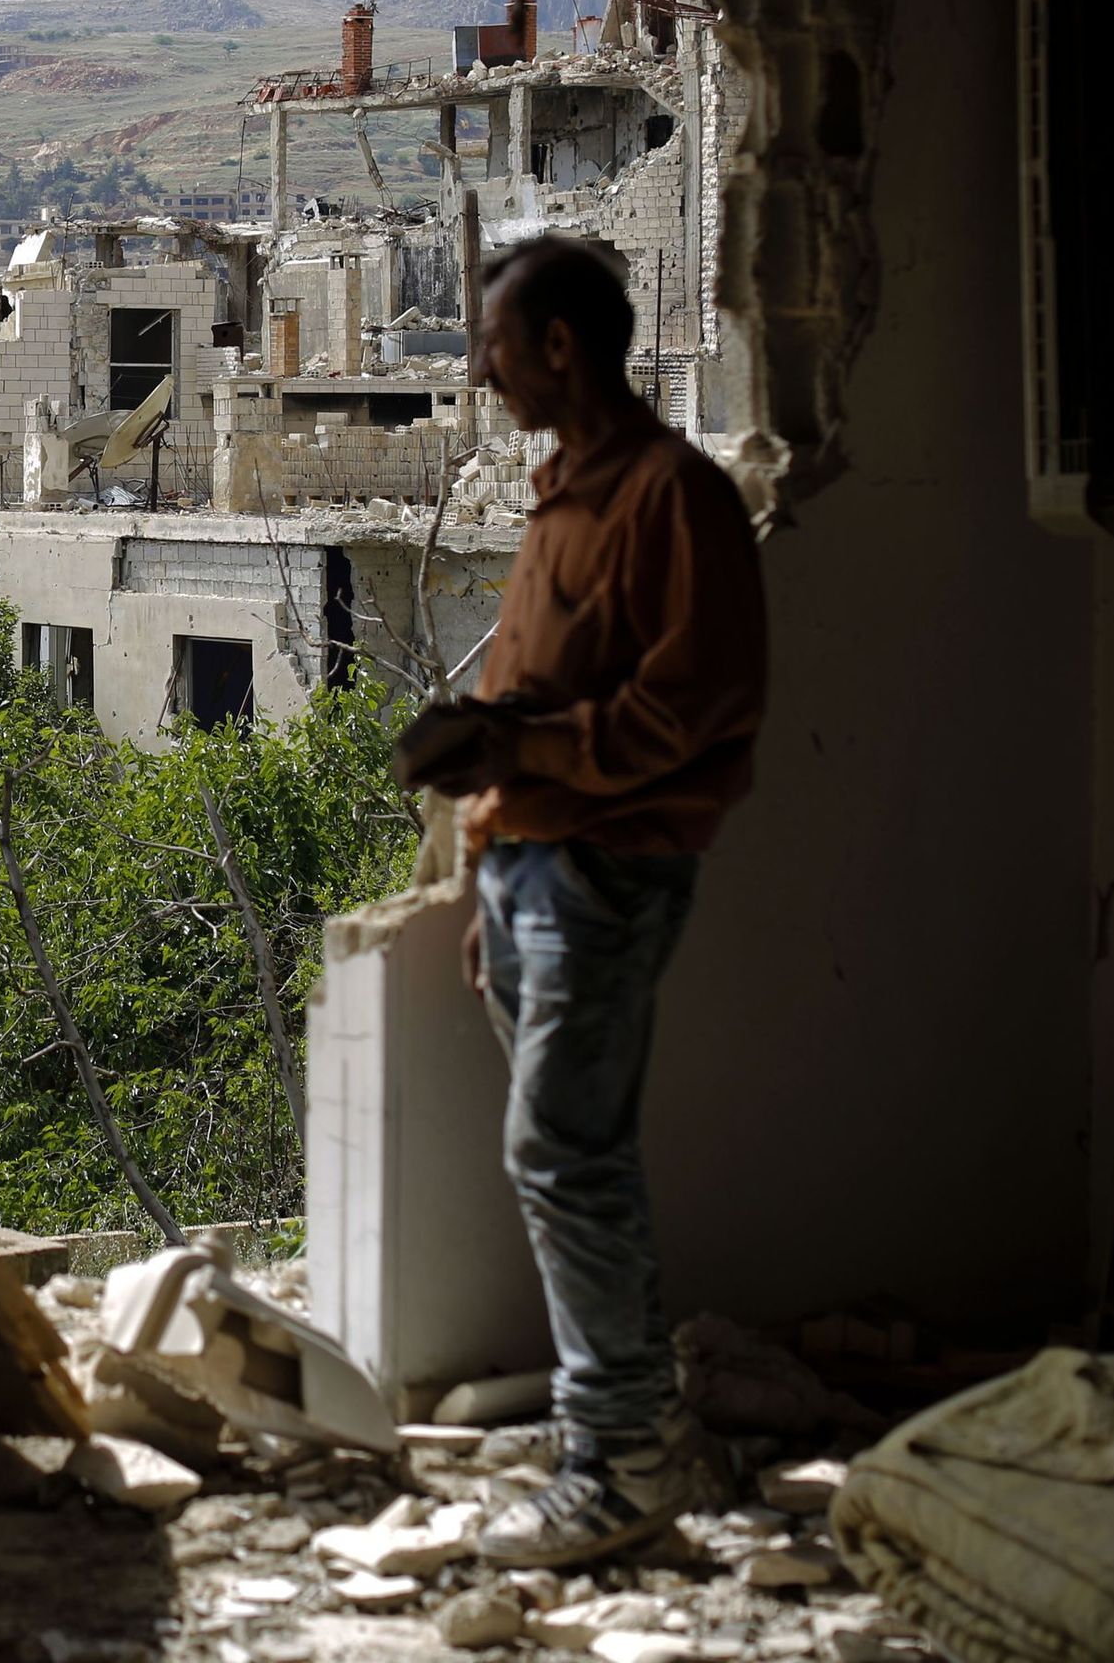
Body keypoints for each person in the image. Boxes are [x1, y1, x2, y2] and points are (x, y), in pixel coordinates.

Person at [403, 235, 768, 1567]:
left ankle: (617, 1465)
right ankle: (642, 1432)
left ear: (559, 345)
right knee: (575, 1156)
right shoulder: (568, 501)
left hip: (608, 872)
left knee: (564, 1155)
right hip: (541, 871)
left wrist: (529, 758)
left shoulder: (674, 500)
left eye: (493, 345)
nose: (481, 372)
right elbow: (550, 690)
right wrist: (492, 814)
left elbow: (698, 706)